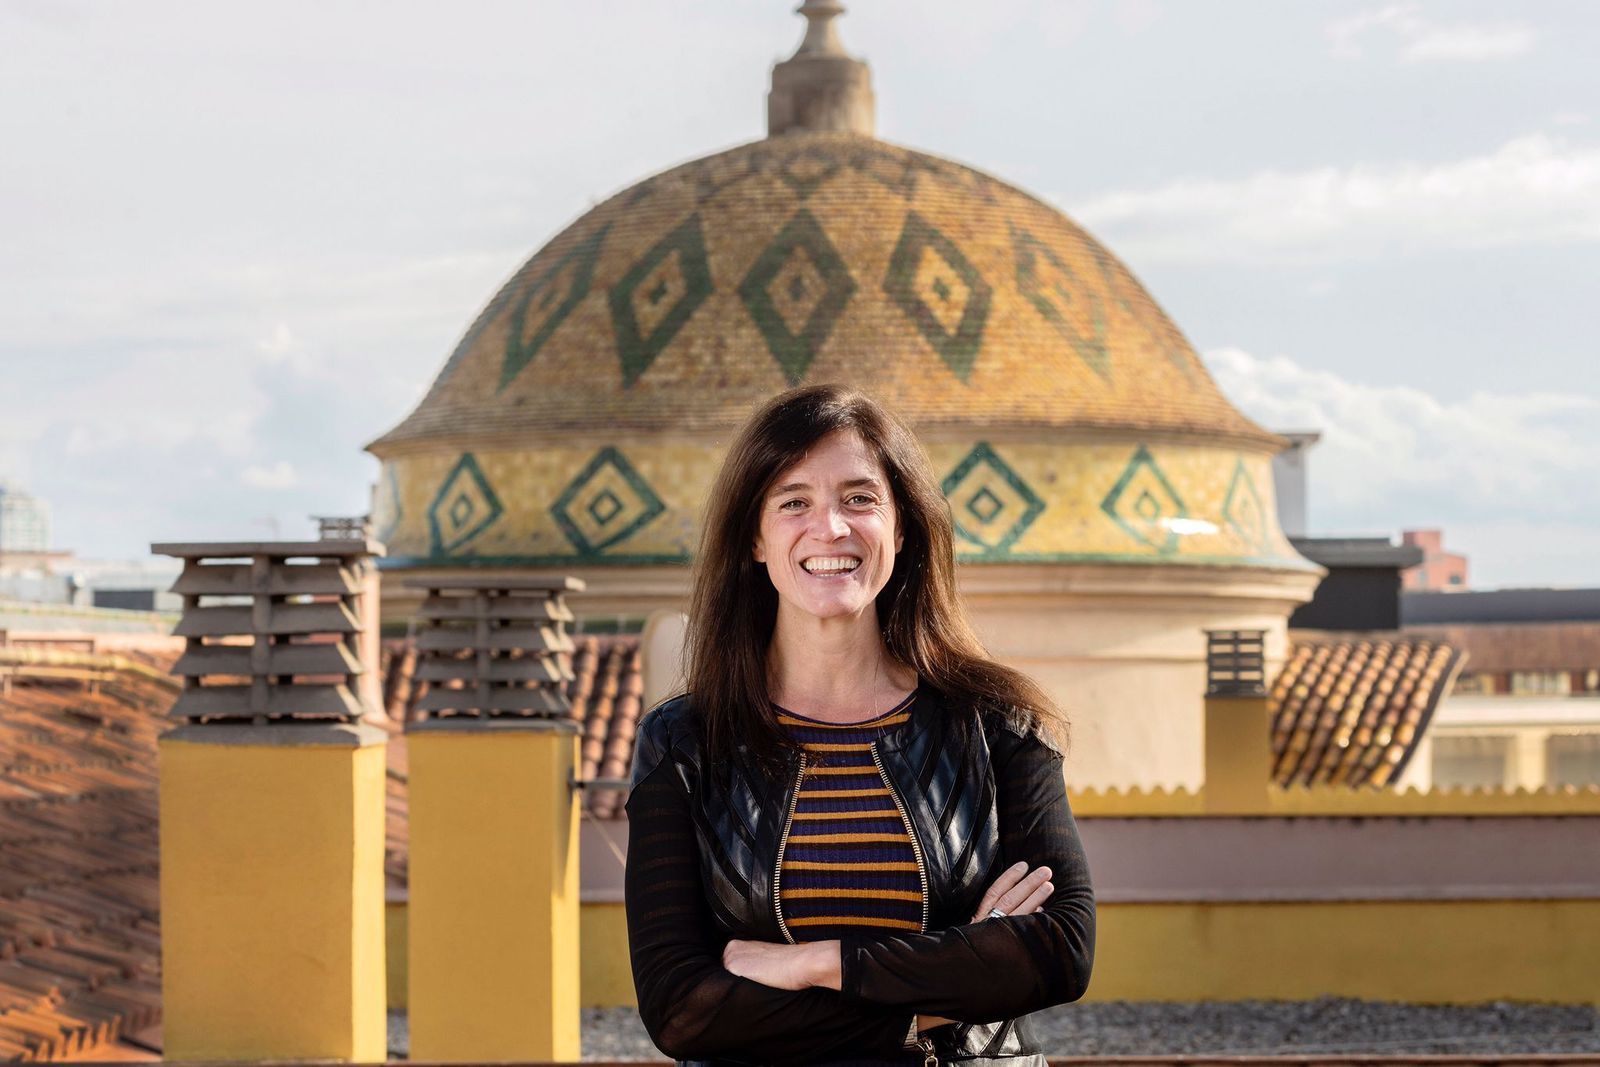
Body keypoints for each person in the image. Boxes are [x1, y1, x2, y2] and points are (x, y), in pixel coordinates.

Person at [625, 384, 1095, 1066]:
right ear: (754, 537)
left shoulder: (999, 727)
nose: (831, 528)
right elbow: (681, 1009)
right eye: (794, 502)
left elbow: (1061, 950)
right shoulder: (685, 744)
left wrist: (815, 963)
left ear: (900, 529)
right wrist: (952, 976)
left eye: (859, 498)